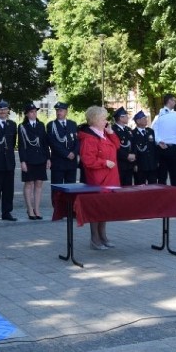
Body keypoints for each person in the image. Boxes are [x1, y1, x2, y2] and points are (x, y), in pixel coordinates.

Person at [78, 106, 120, 250]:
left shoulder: (104, 133)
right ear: (95, 120)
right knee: (96, 208)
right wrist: (104, 163)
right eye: (103, 119)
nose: (106, 121)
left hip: (110, 178)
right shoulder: (89, 138)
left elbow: (117, 146)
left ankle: (103, 236)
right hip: (98, 179)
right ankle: (95, 238)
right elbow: (87, 160)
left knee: (105, 209)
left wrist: (111, 133)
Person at [18, 103, 50, 220]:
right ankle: (30, 209)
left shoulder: (41, 125)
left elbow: (44, 143)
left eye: (35, 111)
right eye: (31, 112)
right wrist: (22, 161)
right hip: (29, 159)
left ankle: (37, 209)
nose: (34, 113)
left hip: (40, 158)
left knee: (39, 184)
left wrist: (48, 158)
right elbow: (22, 145)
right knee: (29, 183)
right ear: (26, 114)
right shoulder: (22, 126)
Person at [153, 98, 176, 186]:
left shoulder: (160, 117)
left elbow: (154, 130)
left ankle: (161, 197)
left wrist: (159, 141)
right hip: (174, 149)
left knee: (161, 176)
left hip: (161, 148)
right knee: (175, 177)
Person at [47, 101, 80, 188]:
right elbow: (53, 143)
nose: (58, 112)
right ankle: (56, 203)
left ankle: (70, 203)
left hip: (71, 162)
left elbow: (77, 140)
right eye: (57, 110)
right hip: (58, 162)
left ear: (66, 112)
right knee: (57, 189)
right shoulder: (51, 125)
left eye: (61, 110)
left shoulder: (72, 124)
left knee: (71, 187)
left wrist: (74, 152)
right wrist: (66, 154)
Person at [131, 110, 159, 185]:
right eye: (143, 118)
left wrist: (156, 161)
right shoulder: (133, 133)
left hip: (151, 165)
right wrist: (134, 164)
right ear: (138, 121)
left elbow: (154, 147)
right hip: (140, 166)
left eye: (145, 118)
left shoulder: (150, 131)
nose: (146, 120)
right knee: (140, 187)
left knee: (153, 187)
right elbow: (133, 150)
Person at [111, 107, 136, 186]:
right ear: (120, 118)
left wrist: (134, 155)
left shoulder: (128, 129)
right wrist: (126, 156)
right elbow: (115, 147)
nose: (127, 117)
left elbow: (133, 144)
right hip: (120, 163)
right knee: (120, 186)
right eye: (125, 116)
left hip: (130, 163)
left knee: (128, 186)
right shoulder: (113, 130)